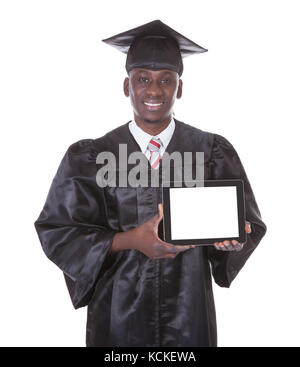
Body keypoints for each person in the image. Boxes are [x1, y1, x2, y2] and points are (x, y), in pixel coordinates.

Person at [34, 20, 266, 347]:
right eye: (142, 79)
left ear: (179, 88)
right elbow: (58, 231)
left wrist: (234, 243)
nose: (154, 91)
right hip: (116, 318)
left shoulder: (211, 152)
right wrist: (129, 240)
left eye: (166, 80)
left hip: (189, 317)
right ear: (126, 86)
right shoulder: (92, 156)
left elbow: (247, 225)